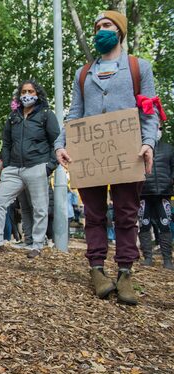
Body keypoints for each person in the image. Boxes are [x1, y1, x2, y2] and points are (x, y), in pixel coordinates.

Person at [55, 10, 160, 305]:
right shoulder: (83, 73)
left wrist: (148, 143)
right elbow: (75, 113)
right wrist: (61, 143)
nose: (102, 30)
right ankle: (97, 269)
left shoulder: (139, 67)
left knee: (126, 213)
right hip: (90, 155)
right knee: (94, 214)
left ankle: (125, 272)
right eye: (98, 26)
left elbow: (149, 110)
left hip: (128, 152)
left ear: (120, 31)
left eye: (107, 25)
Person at [0, 80, 58, 258]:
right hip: (14, 169)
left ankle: (37, 245)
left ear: (38, 94)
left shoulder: (46, 114)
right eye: (24, 91)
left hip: (37, 166)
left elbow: (56, 141)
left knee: (40, 208)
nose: (27, 95)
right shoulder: (13, 117)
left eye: (31, 91)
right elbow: (6, 142)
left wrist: (49, 166)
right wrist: (7, 164)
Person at [138, 128, 174, 270]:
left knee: (165, 225)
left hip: (163, 194)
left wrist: (170, 181)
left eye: (158, 128)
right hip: (143, 194)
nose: (156, 131)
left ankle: (167, 259)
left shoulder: (169, 149)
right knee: (144, 225)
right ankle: (148, 257)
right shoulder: (138, 148)